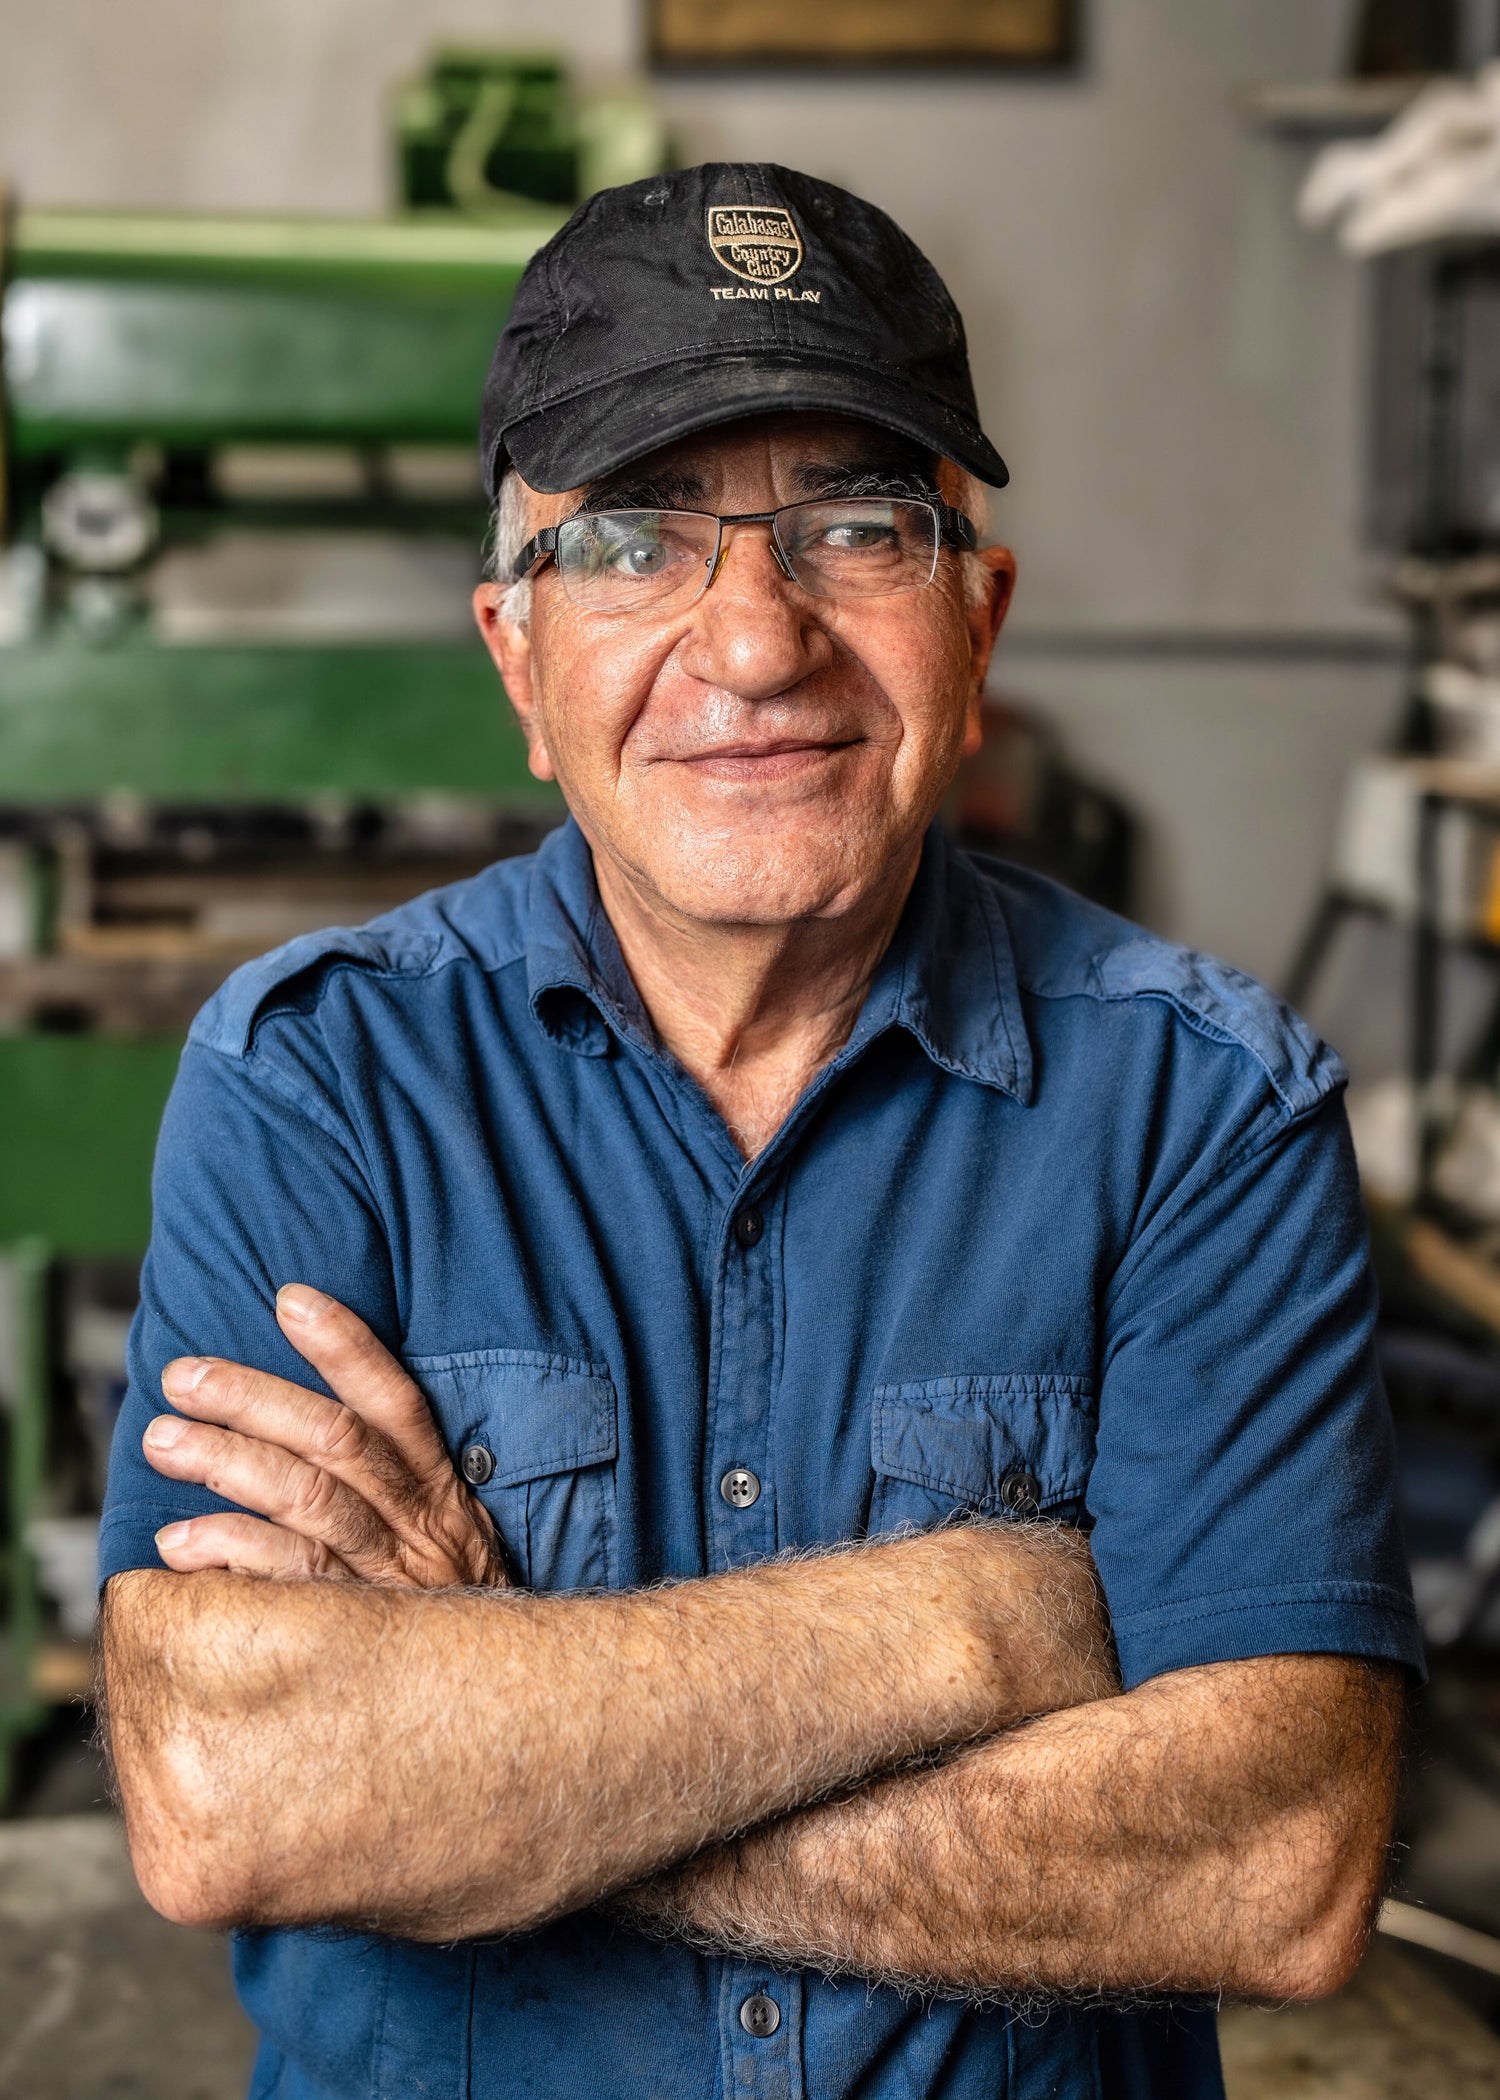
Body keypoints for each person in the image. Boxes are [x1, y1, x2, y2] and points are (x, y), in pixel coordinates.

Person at [99, 164, 1420, 2100]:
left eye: (858, 529)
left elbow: (1275, 1860)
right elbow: (230, 1792)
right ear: (513, 660)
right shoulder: (321, 1083)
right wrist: (978, 1621)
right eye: (633, 542)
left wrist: (503, 1761)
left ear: (979, 623)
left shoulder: (1201, 1110)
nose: (751, 642)